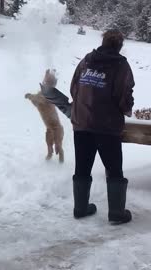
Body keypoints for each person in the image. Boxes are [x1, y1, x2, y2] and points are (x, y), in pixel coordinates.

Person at [41, 29, 134, 224]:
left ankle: (80, 208)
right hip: (107, 126)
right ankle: (117, 213)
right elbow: (124, 94)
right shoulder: (121, 65)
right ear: (120, 45)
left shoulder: (86, 61)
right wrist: (126, 109)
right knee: (114, 169)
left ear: (103, 41)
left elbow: (74, 88)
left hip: (82, 123)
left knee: (83, 167)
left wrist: (84, 105)